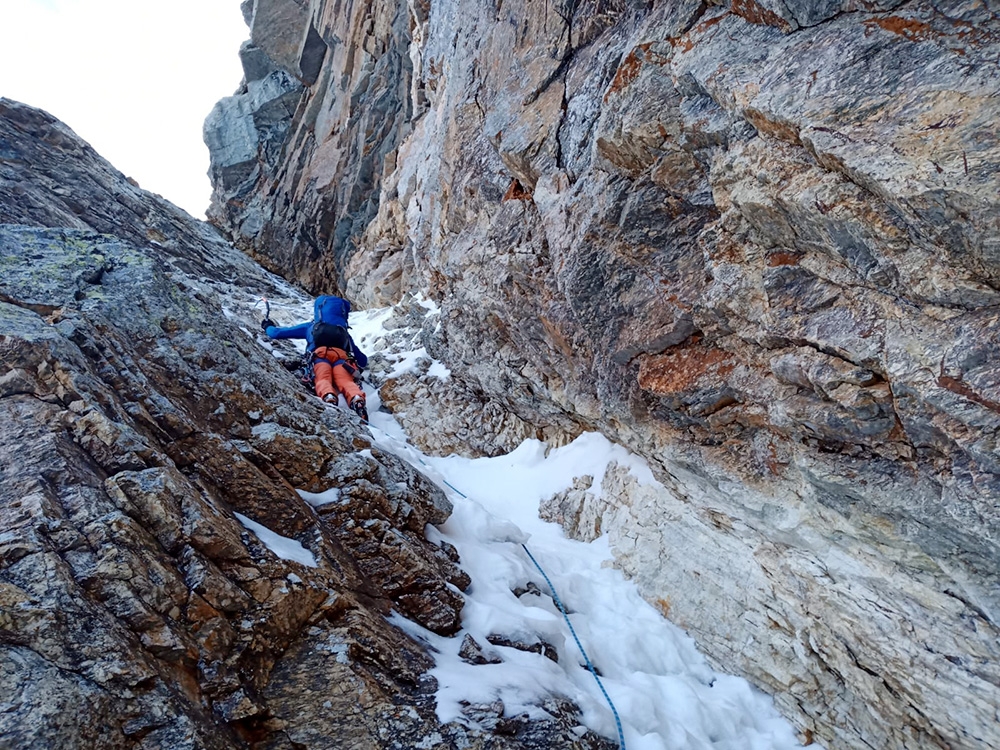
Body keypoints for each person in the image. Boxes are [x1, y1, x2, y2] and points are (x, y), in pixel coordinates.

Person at [261, 295, 369, 421]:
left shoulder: (311, 327)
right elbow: (363, 361)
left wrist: (267, 325)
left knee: (323, 378)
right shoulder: (343, 332)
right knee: (346, 381)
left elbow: (276, 333)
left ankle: (329, 396)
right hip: (342, 359)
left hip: (319, 356)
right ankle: (356, 399)